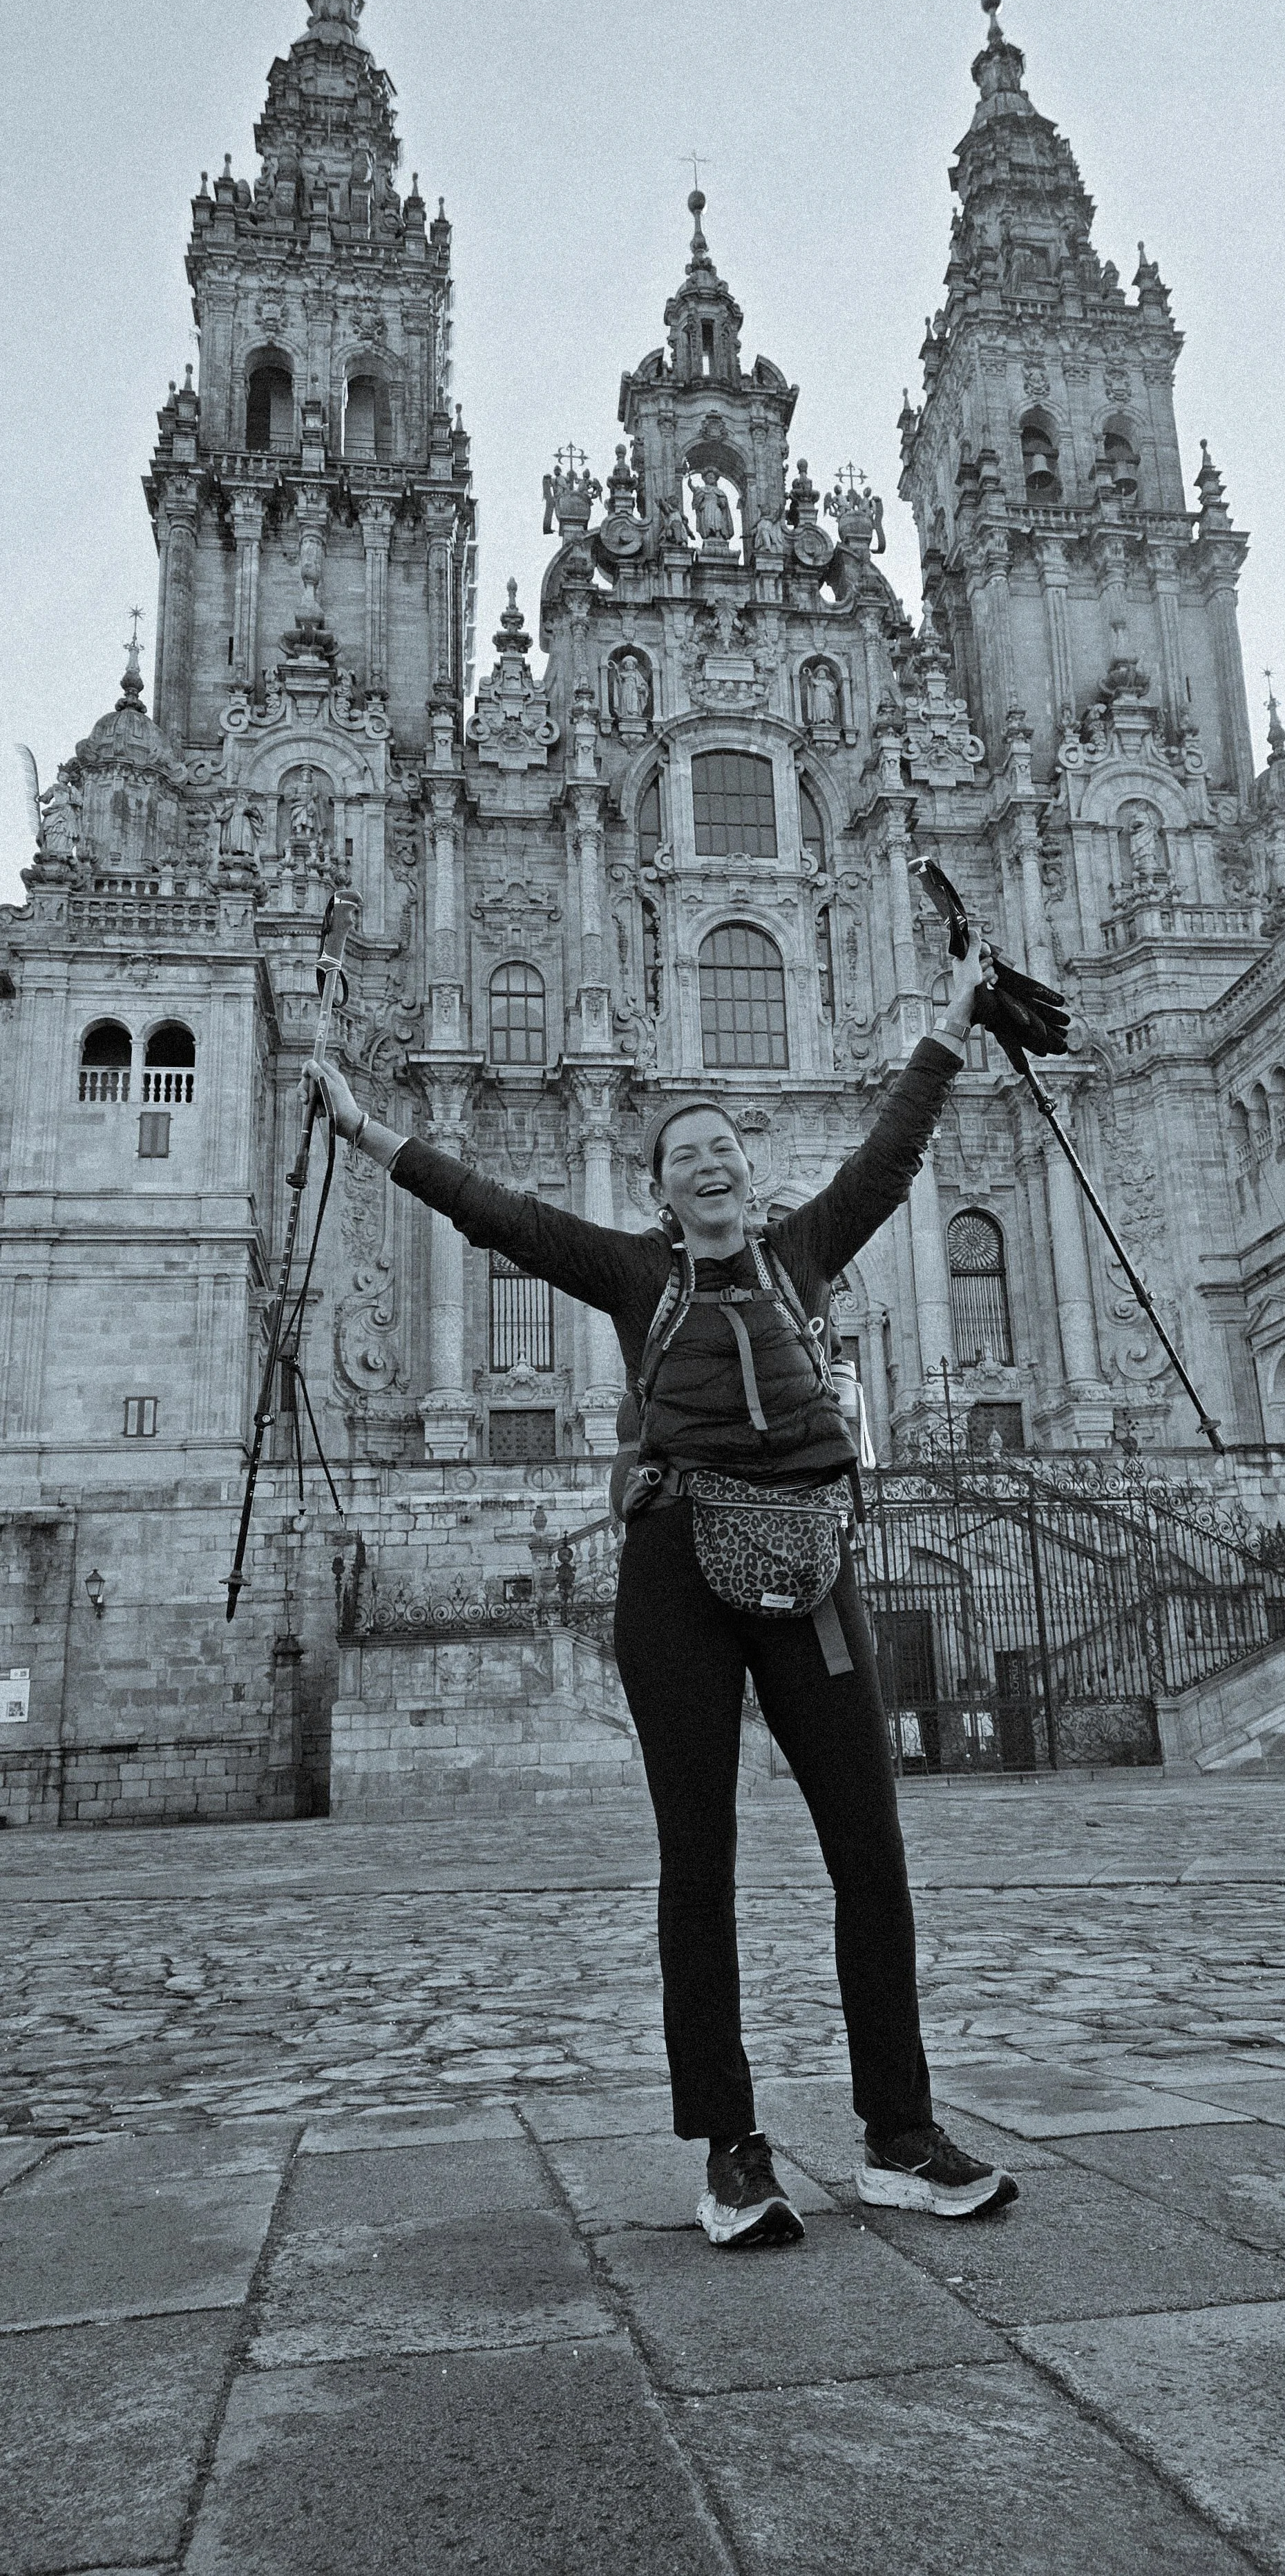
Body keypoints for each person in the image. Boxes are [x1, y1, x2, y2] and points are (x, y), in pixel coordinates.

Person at [304, 934, 1019, 2251]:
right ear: (662, 1188)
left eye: (723, 1147)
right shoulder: (638, 1275)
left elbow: (893, 1151)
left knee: (872, 1853)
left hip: (810, 1567)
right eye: (684, 1153)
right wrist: (366, 1133)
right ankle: (732, 2154)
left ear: (750, 1171)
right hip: (677, 1572)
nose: (709, 1163)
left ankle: (900, 2135)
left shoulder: (805, 1254)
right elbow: (498, 1215)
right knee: (700, 1863)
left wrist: (954, 1020)